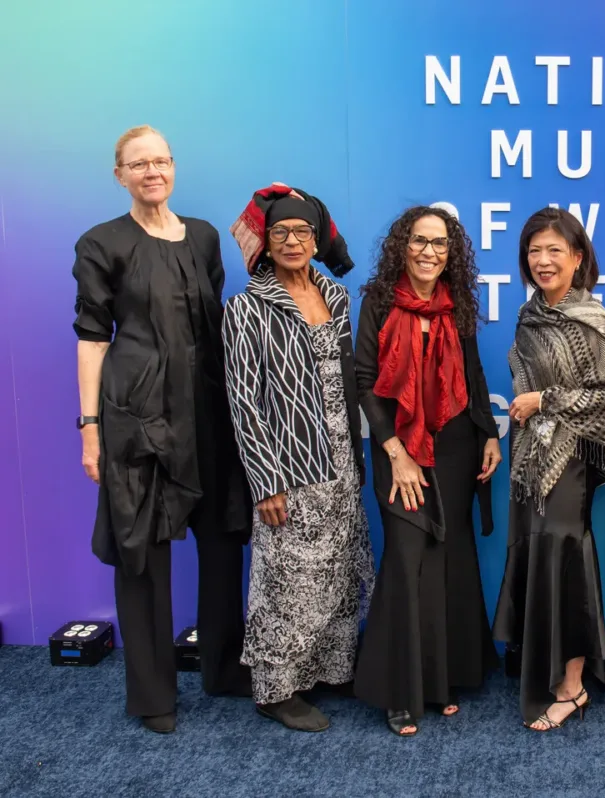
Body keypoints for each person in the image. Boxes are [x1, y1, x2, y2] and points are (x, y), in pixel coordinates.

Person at [72, 125, 251, 733]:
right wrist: (90, 427)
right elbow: (93, 340)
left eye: (162, 161)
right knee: (141, 556)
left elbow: (217, 323)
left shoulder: (202, 237)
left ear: (174, 168)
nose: (153, 171)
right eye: (138, 163)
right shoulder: (101, 243)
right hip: (138, 418)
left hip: (209, 414)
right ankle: (153, 695)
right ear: (119, 174)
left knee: (225, 544)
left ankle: (225, 668)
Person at [222, 184, 373, 732]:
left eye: (302, 232)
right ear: (266, 241)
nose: (291, 241)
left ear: (317, 239)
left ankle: (331, 670)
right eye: (280, 232)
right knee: (287, 579)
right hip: (288, 462)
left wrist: (356, 457)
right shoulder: (247, 308)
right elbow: (243, 400)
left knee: (337, 570)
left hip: (340, 452)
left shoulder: (337, 298)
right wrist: (266, 483)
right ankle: (275, 690)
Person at [353, 206, 502, 738]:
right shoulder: (377, 301)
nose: (429, 252)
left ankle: (441, 683)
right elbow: (365, 381)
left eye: (440, 244)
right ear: (402, 245)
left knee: (450, 554)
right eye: (420, 241)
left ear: (451, 251)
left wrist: (488, 433)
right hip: (399, 447)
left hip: (458, 444)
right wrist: (395, 451)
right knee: (407, 557)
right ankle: (400, 692)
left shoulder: (456, 302)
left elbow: (475, 372)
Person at [492, 207, 605, 731]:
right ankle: (542, 666)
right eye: (534, 251)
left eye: (555, 251)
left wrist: (542, 399)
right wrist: (532, 409)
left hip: (570, 463)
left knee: (565, 558)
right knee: (537, 552)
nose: (544, 261)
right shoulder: (530, 315)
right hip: (531, 461)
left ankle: (571, 686)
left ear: (578, 258)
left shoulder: (592, 321)